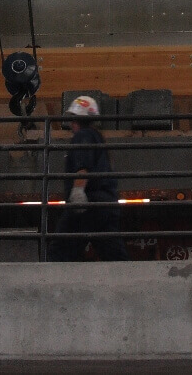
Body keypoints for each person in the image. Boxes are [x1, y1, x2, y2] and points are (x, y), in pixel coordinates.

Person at [47, 95, 129, 261]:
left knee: (60, 249)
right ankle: (128, 281)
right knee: (112, 251)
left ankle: (53, 283)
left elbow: (82, 167)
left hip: (88, 204)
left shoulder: (82, 136)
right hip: (106, 203)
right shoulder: (98, 138)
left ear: (74, 120)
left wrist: (77, 191)